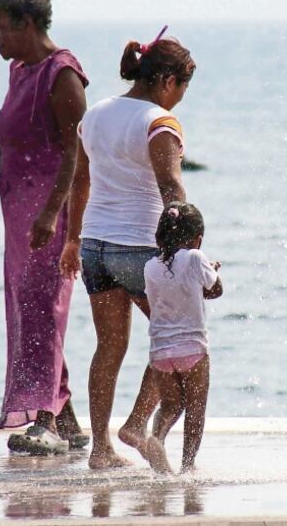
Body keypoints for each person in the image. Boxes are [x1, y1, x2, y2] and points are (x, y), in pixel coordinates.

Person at [59, 28, 196, 469]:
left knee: (109, 346)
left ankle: (100, 449)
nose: (180, 99)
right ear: (168, 80)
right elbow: (171, 188)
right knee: (176, 337)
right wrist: (186, 251)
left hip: (96, 245)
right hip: (140, 248)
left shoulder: (95, 114)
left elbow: (80, 181)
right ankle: (137, 424)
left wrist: (73, 239)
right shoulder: (159, 122)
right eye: (182, 88)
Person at [0, 0, 88, 454]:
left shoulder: (63, 75)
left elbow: (77, 152)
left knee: (44, 309)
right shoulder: (20, 71)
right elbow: (12, 141)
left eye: (1, 28)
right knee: (29, 312)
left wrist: (52, 215)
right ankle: (67, 419)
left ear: (28, 23)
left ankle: (46, 423)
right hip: (18, 217)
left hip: (49, 217)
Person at [142, 202, 223, 475]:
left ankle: (157, 439)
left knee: (171, 405)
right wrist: (213, 270)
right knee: (195, 409)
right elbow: (215, 291)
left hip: (160, 352)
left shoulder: (150, 266)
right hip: (193, 350)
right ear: (197, 239)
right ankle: (188, 466)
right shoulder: (195, 258)